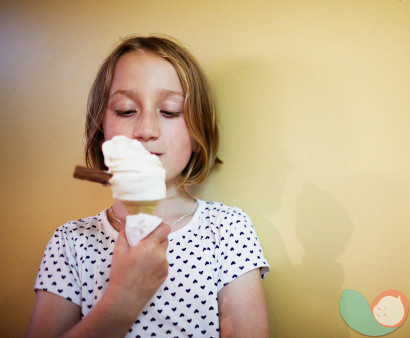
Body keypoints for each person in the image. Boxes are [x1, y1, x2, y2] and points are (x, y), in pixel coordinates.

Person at [26, 35, 270, 337]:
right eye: (127, 110)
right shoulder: (71, 243)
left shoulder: (228, 230)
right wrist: (122, 302)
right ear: (101, 130)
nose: (145, 130)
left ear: (197, 133)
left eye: (169, 111)